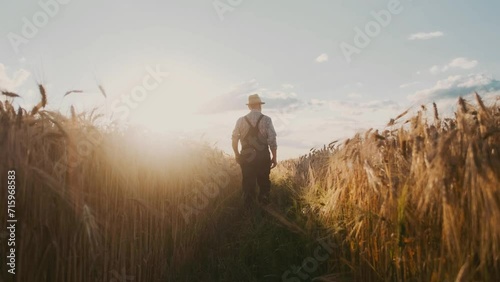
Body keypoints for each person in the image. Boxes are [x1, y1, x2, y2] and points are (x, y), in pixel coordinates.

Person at [232, 94, 278, 208]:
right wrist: (274, 157)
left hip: (246, 158)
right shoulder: (267, 120)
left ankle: (249, 212)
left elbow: (234, 139)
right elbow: (272, 140)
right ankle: (264, 209)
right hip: (263, 157)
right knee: (264, 183)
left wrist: (237, 154)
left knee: (248, 184)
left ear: (249, 106)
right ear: (259, 105)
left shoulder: (240, 121)